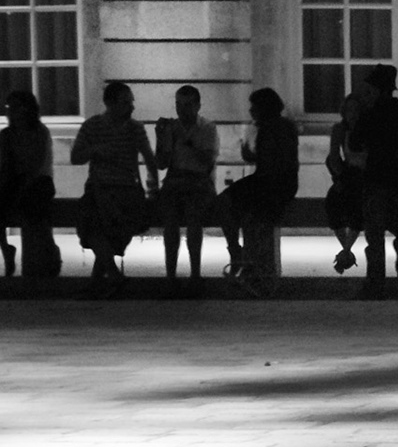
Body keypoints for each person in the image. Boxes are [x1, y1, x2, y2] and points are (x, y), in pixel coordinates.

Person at [70, 81, 158, 294]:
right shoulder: (92, 126)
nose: (131, 107)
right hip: (99, 188)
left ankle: (101, 279)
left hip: (125, 189)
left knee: (104, 229)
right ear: (110, 104)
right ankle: (110, 275)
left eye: (131, 102)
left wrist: (152, 187)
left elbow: (149, 159)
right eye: (125, 102)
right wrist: (95, 150)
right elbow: (76, 157)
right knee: (95, 225)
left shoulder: (135, 128)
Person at [215, 87, 299, 293]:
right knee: (234, 206)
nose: (251, 111)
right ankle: (244, 259)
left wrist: (253, 156)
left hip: (272, 183)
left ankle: (243, 258)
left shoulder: (275, 128)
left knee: (235, 207)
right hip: (271, 181)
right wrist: (252, 156)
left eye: (254, 107)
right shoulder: (276, 127)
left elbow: (276, 162)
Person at [351, 64, 398, 300]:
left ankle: (375, 283)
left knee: (375, 235)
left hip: (376, 177)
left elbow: (354, 142)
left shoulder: (370, 113)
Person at [153, 84, 219, 289]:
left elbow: (206, 161)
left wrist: (185, 141)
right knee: (170, 222)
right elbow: (161, 163)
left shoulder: (207, 128)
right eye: (178, 105)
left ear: (198, 106)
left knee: (193, 217)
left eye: (187, 105)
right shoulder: (170, 128)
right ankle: (171, 276)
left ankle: (195, 274)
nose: (182, 110)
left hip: (199, 181)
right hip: (176, 180)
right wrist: (160, 139)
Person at [0, 89, 58, 279]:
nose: (10, 111)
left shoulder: (39, 132)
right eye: (9, 107)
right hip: (15, 181)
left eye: (15, 107)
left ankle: (39, 261)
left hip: (39, 182)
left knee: (32, 209)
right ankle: (6, 249)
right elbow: (5, 166)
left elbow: (38, 165)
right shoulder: (6, 135)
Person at [325, 95, 366, 274]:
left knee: (358, 203)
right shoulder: (340, 129)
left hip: (366, 175)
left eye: (356, 110)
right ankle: (346, 248)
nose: (353, 114)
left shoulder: (370, 130)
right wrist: (339, 177)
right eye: (349, 110)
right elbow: (333, 157)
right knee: (333, 201)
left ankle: (347, 249)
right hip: (348, 174)